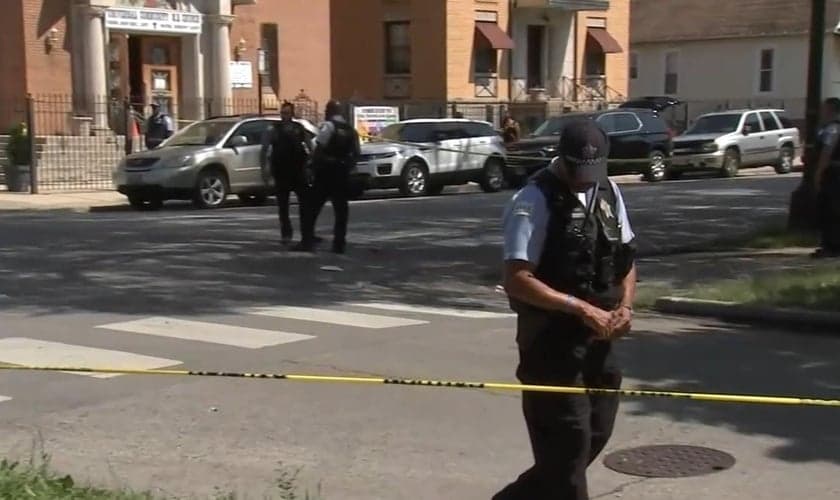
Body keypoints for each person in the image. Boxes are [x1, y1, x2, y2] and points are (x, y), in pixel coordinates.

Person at [493, 118, 638, 500]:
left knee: (595, 434)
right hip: (550, 347)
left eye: (592, 170)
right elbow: (517, 278)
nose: (584, 178)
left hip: (599, 342)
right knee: (568, 449)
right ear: (562, 159)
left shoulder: (609, 192)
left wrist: (625, 305)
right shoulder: (533, 200)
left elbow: (626, 261)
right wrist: (578, 308)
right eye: (577, 169)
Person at [294, 100, 361, 254]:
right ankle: (339, 244)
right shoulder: (351, 130)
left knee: (312, 207)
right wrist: (347, 166)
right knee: (341, 210)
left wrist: (311, 165)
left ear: (330, 111)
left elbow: (319, 147)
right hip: (342, 174)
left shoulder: (329, 126)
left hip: (325, 173)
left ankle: (307, 241)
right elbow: (357, 153)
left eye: (326, 109)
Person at [260, 101, 313, 244]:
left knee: (304, 204)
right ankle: (286, 234)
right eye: (282, 113)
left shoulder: (299, 128)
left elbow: (310, 146)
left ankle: (306, 234)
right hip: (281, 171)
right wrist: (264, 169)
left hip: (297, 171)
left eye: (287, 113)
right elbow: (264, 149)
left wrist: (310, 165)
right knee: (283, 206)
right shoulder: (274, 129)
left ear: (292, 114)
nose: (284, 116)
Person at [812, 97, 840, 258]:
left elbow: (827, 151)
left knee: (830, 209)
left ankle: (832, 245)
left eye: (824, 108)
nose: (822, 111)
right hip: (833, 172)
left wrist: (819, 172)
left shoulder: (832, 129)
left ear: (831, 110)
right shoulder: (827, 128)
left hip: (833, 173)